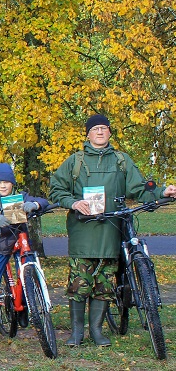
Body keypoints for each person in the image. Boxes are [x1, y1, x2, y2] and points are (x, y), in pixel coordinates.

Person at [49, 114, 176, 347]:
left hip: (111, 230)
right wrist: (74, 203)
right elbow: (56, 190)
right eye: (95, 129)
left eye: (104, 128)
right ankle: (77, 333)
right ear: (88, 134)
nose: (99, 132)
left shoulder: (121, 160)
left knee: (105, 284)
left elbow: (139, 190)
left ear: (109, 132)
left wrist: (161, 194)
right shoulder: (74, 161)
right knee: (80, 283)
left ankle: (97, 331)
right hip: (83, 231)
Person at [0, 163, 49, 342]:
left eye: (6, 182)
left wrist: (35, 205)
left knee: (25, 276)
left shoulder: (20, 196)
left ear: (12, 183)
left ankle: (23, 305)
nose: (3, 185)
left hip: (20, 242)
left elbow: (43, 202)